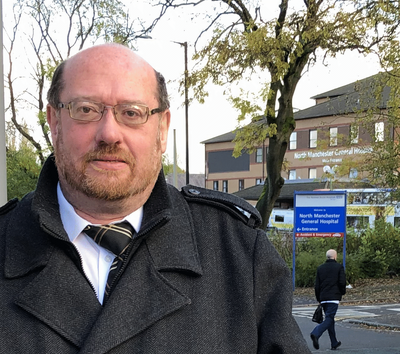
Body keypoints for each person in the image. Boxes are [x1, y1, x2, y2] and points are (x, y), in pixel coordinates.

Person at [0, 43, 311, 353]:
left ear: (162, 129)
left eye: (132, 113)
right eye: (86, 110)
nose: (109, 133)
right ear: (54, 122)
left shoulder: (240, 255)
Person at [310, 249, 346, 351]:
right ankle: (316, 333)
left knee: (330, 319)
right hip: (333, 297)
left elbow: (317, 285)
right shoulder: (339, 267)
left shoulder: (320, 268)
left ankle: (334, 342)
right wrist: (342, 292)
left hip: (323, 298)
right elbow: (342, 282)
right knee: (329, 318)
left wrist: (319, 298)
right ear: (335, 256)